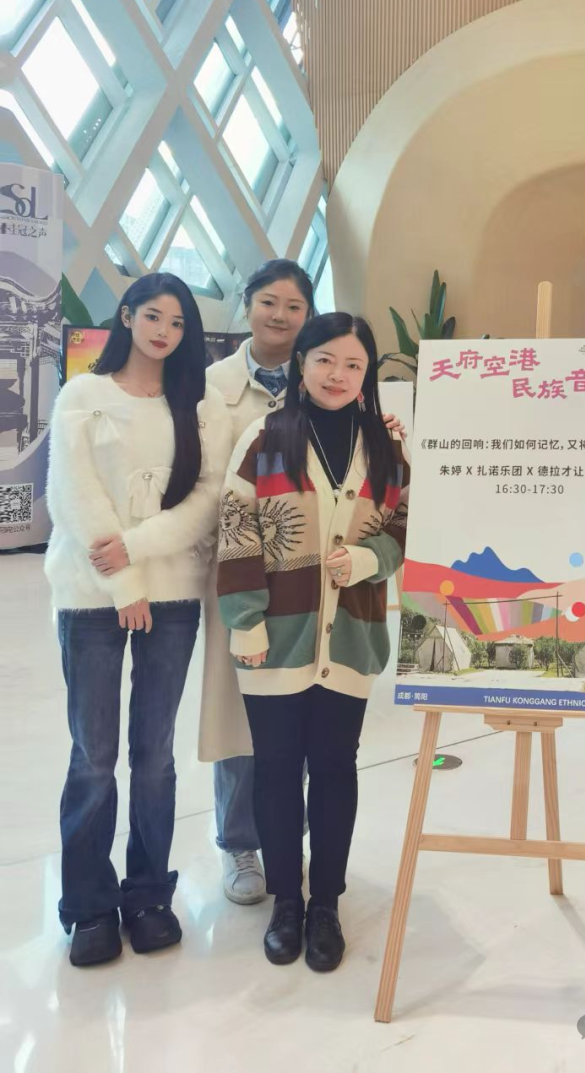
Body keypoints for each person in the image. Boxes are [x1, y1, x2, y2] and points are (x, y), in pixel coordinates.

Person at [45, 274, 230, 967]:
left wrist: (141, 549)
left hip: (174, 591)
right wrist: (123, 581)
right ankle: (89, 905)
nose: (164, 332)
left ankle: (149, 895)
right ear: (127, 316)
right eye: (154, 316)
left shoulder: (200, 403)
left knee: (154, 755)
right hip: (91, 594)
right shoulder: (83, 395)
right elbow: (74, 495)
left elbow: (208, 498)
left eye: (178, 323)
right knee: (94, 756)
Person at [215, 312, 408, 972]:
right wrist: (245, 621)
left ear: (367, 375)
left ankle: (324, 901)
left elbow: (406, 525)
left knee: (333, 766)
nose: (338, 374)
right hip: (274, 637)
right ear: (301, 363)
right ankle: (285, 902)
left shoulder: (386, 446)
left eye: (354, 364)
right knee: (275, 768)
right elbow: (236, 528)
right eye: (325, 359)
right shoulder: (266, 437)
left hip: (351, 634)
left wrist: (371, 559)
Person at [201, 259, 315, 905]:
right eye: (269, 301)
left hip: (303, 571)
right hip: (236, 567)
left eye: (294, 305)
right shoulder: (212, 384)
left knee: (298, 706)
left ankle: (286, 836)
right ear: (247, 305)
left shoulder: (321, 378)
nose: (280, 315)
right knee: (238, 708)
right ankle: (239, 842)